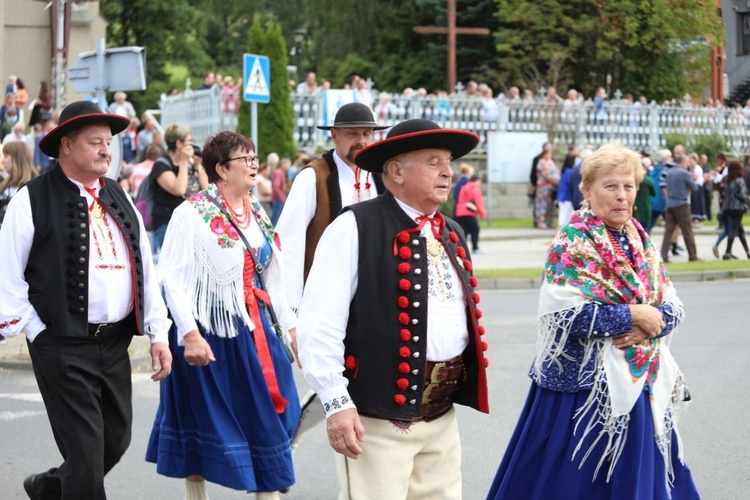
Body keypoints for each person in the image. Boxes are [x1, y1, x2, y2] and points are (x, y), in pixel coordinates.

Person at [487, 143, 698, 499]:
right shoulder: (572, 242)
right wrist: (633, 314)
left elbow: (672, 303)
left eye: (628, 186)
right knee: (576, 481)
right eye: (610, 186)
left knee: (636, 477)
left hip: (638, 383)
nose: (622, 196)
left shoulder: (640, 239)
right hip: (583, 392)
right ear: (587, 190)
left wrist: (649, 319)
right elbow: (563, 314)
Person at [297, 119, 490, 499]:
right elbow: (319, 326)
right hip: (376, 419)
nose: (448, 171)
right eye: (433, 161)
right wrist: (336, 404)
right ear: (397, 171)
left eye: (448, 162)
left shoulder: (451, 231)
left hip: (440, 415)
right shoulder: (355, 227)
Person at [0, 100, 172, 499]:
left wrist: (158, 333)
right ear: (66, 145)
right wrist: (36, 331)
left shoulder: (118, 194)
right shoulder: (32, 199)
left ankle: (48, 488)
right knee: (85, 455)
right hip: (60, 343)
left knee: (116, 438)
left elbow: (145, 266)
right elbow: (7, 275)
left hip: (114, 343)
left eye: (108, 142)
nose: (106, 150)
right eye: (95, 142)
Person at [146, 131, 300, 500]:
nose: (253, 165)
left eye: (254, 158)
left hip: (255, 325)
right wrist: (189, 334)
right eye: (245, 159)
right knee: (204, 416)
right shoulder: (191, 213)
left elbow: (273, 274)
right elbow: (174, 282)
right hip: (209, 331)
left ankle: (269, 487)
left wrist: (290, 325)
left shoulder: (256, 210)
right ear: (220, 169)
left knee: (277, 408)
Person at [276, 102, 388, 312]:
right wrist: (291, 308)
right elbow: (289, 244)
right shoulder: (312, 177)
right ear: (335, 135)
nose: (361, 141)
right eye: (352, 134)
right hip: (324, 299)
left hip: (373, 298)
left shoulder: (381, 176)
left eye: (367, 133)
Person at [150, 123, 194, 255]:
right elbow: (179, 189)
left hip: (189, 224)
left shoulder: (189, 164)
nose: (192, 145)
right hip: (168, 224)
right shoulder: (161, 165)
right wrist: (184, 162)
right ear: (179, 144)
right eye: (189, 141)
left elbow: (204, 187)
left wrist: (198, 165)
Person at [661, 153, 699, 263]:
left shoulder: (669, 172)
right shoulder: (684, 173)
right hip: (681, 204)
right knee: (687, 231)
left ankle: (664, 256)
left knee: (668, 232)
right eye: (686, 162)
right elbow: (694, 187)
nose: (687, 164)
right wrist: (692, 179)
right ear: (682, 163)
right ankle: (693, 256)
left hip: (670, 203)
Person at [0, 141, 37, 226]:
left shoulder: (34, 186)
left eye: (6, 156)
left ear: (17, 158)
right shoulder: (5, 184)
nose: (3, 161)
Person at [719, 161, 750, 260]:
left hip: (728, 208)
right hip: (737, 208)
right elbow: (742, 195)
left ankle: (747, 251)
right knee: (733, 230)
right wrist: (747, 198)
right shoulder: (739, 180)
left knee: (740, 231)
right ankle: (727, 253)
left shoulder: (727, 180)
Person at [455, 174, 487, 253]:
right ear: (476, 181)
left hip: (460, 213)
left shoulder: (463, 187)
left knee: (464, 232)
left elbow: (459, 199)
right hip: (469, 212)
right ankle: (475, 248)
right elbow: (478, 202)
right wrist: (483, 214)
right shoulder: (475, 188)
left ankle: (462, 250)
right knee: (475, 230)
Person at [535, 145, 560, 229]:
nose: (551, 154)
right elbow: (547, 175)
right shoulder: (542, 162)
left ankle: (549, 222)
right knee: (543, 204)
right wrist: (556, 182)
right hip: (544, 188)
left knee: (550, 205)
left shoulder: (550, 162)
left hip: (551, 188)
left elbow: (556, 173)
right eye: (549, 152)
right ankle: (541, 222)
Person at [557, 146, 578, 227]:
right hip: (567, 198)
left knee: (564, 220)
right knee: (563, 222)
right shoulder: (570, 172)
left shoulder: (564, 171)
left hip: (562, 197)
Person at [634, 157, 657, 230]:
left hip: (635, 207)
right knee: (645, 230)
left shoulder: (632, 179)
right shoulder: (648, 181)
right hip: (645, 207)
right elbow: (654, 193)